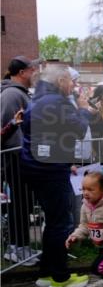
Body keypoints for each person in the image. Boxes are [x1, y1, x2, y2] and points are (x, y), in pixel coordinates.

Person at [22, 64, 92, 287]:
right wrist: (82, 109)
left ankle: (45, 273)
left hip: (37, 166)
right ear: (60, 80)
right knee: (61, 222)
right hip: (49, 169)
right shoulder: (58, 102)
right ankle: (60, 277)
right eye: (70, 81)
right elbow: (78, 130)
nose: (73, 85)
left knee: (52, 221)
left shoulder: (38, 98)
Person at [1, 56, 41, 262]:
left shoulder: (19, 93)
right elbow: (8, 125)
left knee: (23, 204)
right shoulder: (11, 94)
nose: (34, 73)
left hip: (22, 156)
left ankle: (21, 246)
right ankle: (18, 247)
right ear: (22, 72)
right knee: (20, 204)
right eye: (32, 70)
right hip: (15, 157)